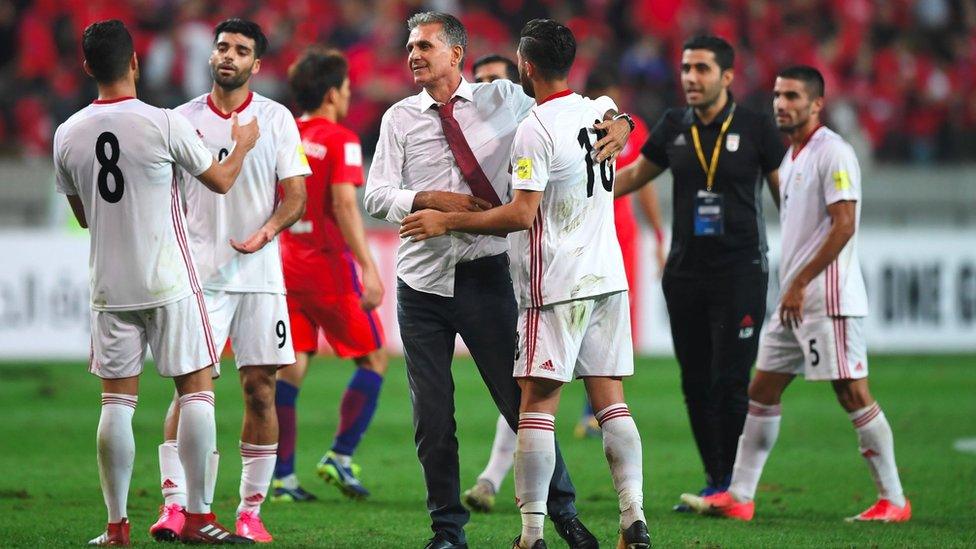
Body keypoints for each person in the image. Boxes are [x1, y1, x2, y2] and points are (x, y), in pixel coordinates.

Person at [364, 11, 633, 549]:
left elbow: (573, 110)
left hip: (488, 273)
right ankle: (446, 530)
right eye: (410, 46)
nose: (413, 54)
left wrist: (620, 121)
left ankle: (564, 515)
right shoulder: (398, 119)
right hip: (420, 285)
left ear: (457, 53)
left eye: (425, 46)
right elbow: (375, 196)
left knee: (521, 406)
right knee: (432, 418)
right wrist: (427, 198)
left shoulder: (505, 99)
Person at [54, 20, 258, 546]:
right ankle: (198, 518)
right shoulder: (163, 122)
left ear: (86, 68)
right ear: (136, 63)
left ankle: (116, 527)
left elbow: (83, 215)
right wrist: (241, 143)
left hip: (109, 286)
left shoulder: (66, 133)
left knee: (116, 403)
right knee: (195, 393)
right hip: (168, 279)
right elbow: (220, 180)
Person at [681, 66, 911, 523]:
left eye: (792, 96)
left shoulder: (835, 153)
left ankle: (894, 500)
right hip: (793, 299)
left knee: (851, 392)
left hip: (827, 300)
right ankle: (741, 496)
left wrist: (802, 282)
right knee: (762, 390)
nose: (781, 104)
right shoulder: (792, 158)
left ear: (816, 104)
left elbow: (844, 224)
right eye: (777, 95)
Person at [460, 65, 667, 514]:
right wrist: (625, 122)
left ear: (526, 66)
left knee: (535, 405)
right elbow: (616, 112)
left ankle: (532, 531)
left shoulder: (535, 127)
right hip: (606, 278)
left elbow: (520, 214)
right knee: (612, 404)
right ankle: (634, 514)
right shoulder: (599, 110)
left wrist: (448, 219)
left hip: (555, 281)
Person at [149, 18, 311, 544]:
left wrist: (267, 232)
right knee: (190, 391)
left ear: (256, 65)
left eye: (241, 50)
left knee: (260, 390)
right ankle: (176, 506)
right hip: (198, 276)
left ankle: (250, 511)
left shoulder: (278, 118)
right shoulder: (179, 120)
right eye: (222, 47)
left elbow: (296, 196)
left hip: (260, 275)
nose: (228, 56)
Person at [614, 35, 785, 509]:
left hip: (741, 271)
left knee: (730, 379)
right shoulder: (673, 125)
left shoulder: (755, 128)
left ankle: (732, 483)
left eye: (702, 69)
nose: (690, 77)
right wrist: (582, 194)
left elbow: (784, 196)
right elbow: (632, 178)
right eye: (686, 67)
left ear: (727, 76)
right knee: (694, 380)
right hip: (685, 272)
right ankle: (714, 479)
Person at [270, 47, 388, 503]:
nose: (349, 93)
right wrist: (368, 267)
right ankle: (340, 455)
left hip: (286, 264)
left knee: (293, 366)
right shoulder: (340, 139)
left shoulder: (285, 134)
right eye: (346, 87)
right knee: (374, 358)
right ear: (333, 92)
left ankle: (281, 478)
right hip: (328, 268)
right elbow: (343, 205)